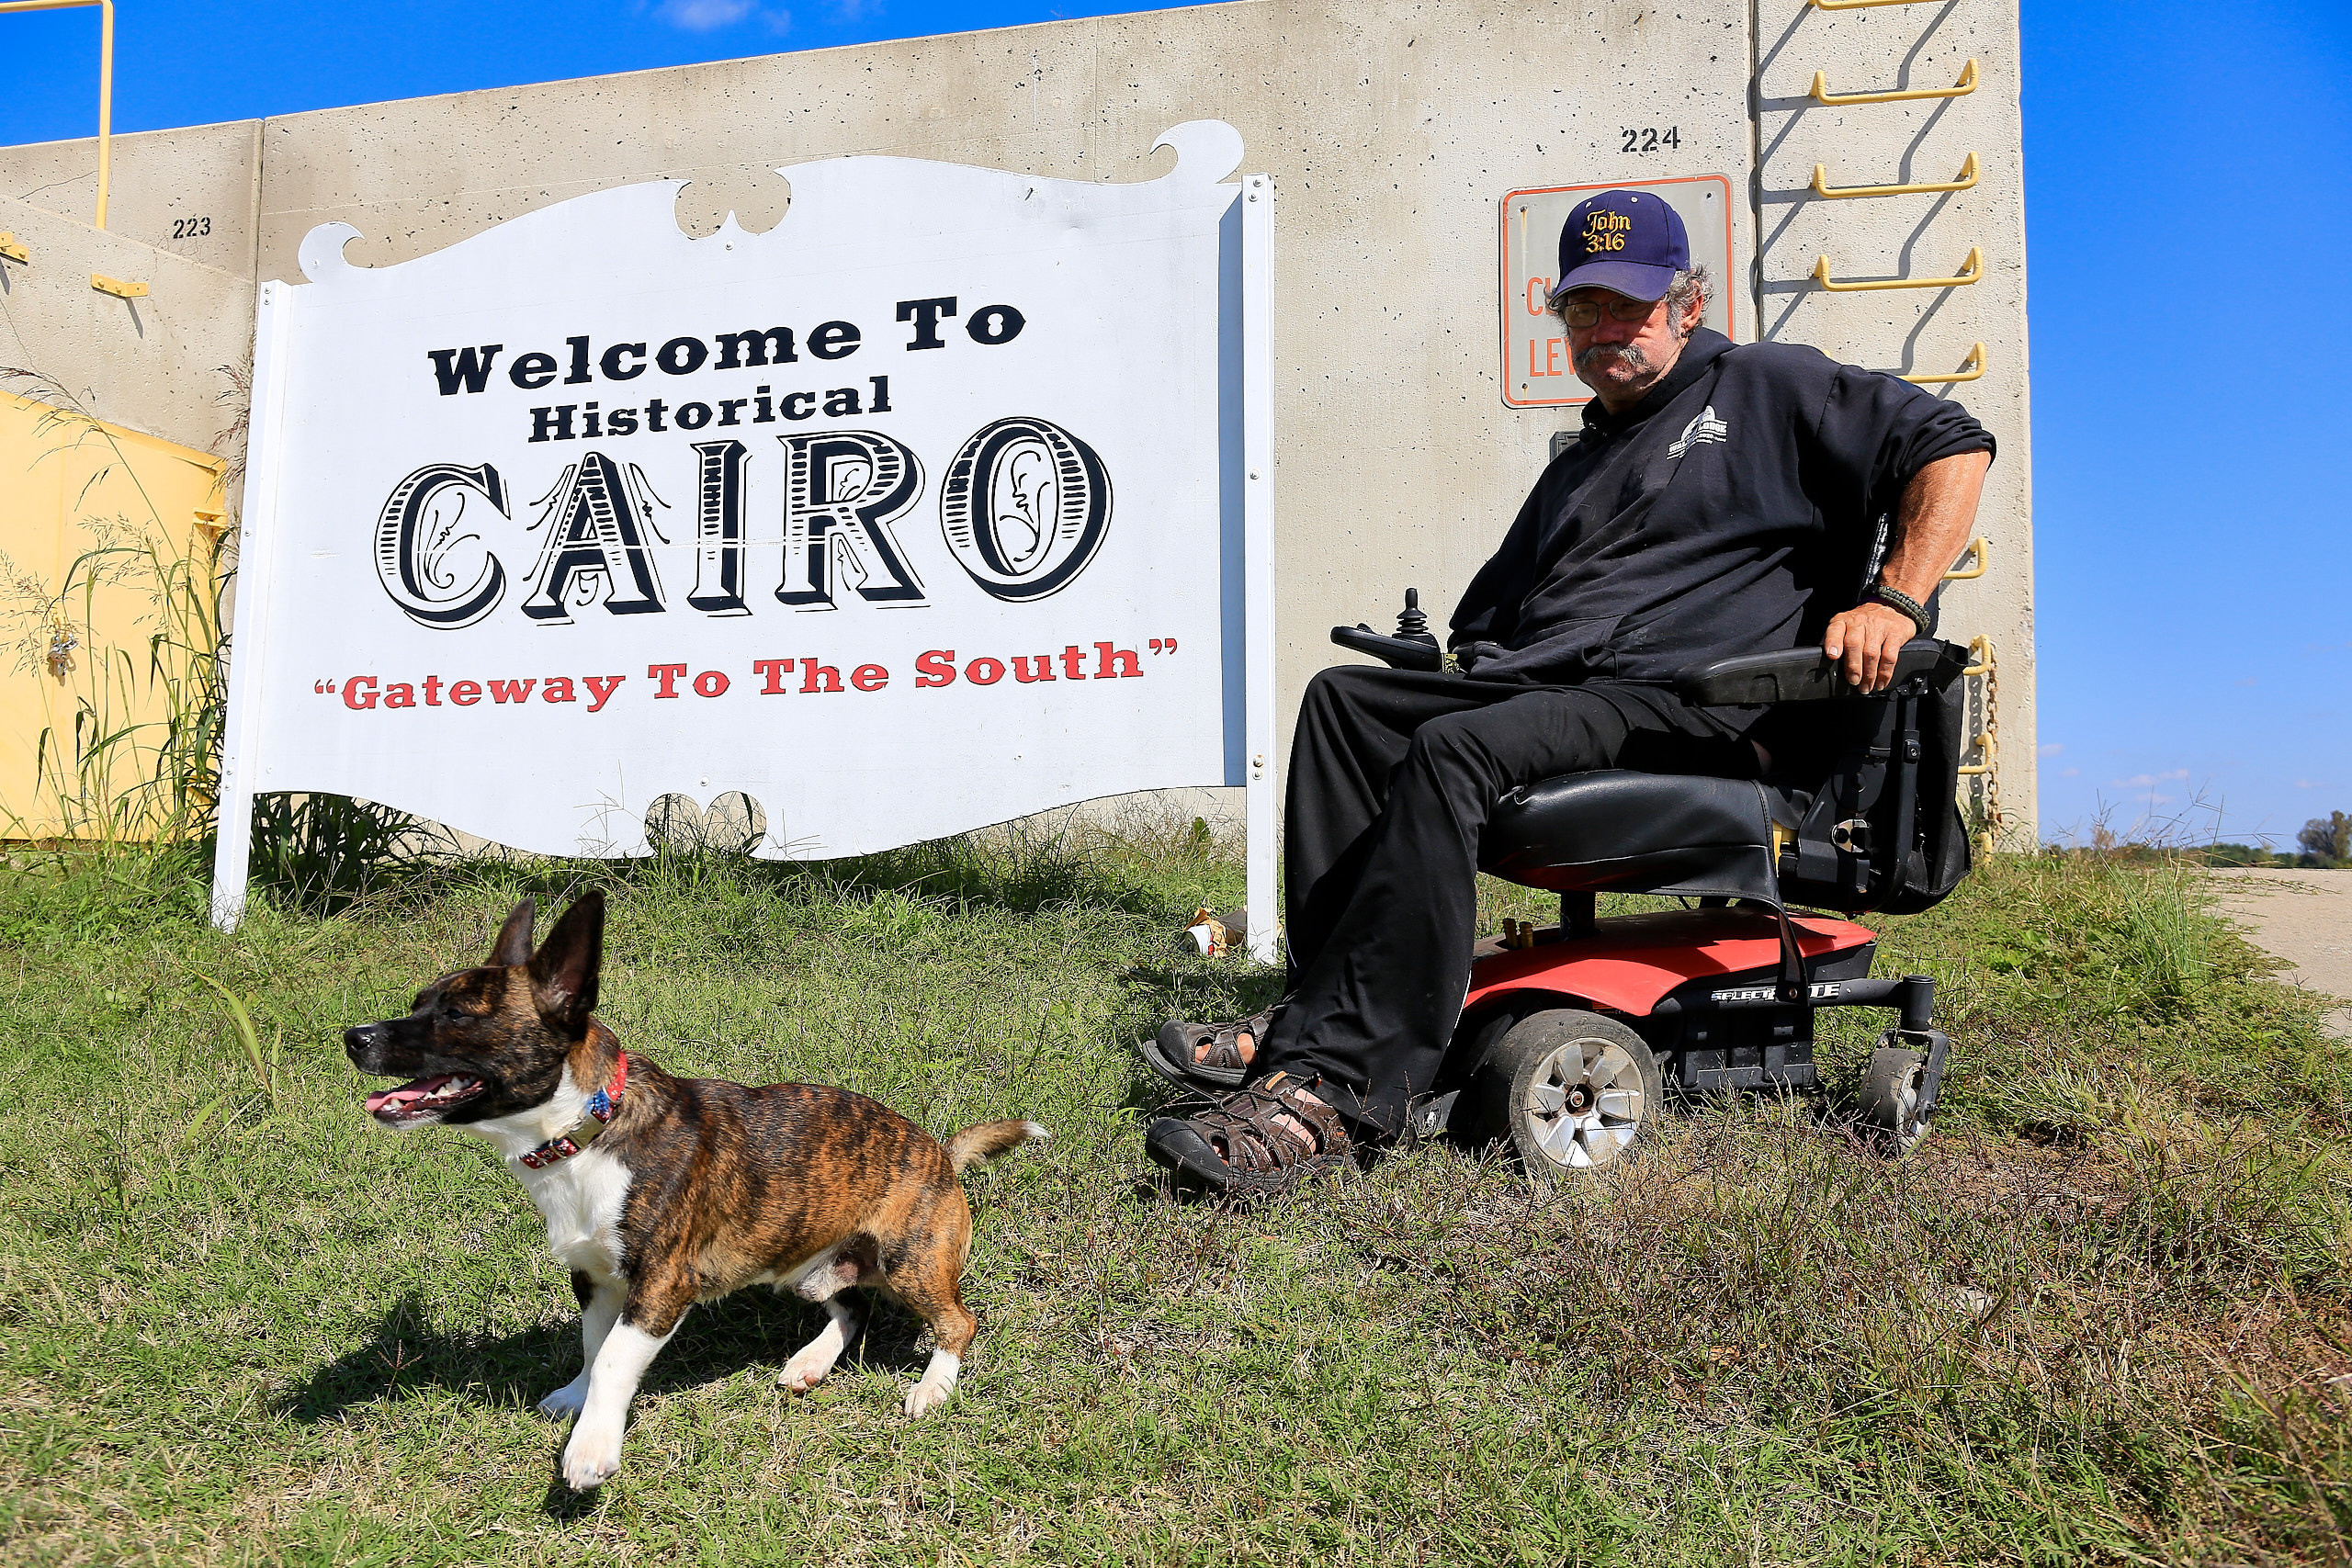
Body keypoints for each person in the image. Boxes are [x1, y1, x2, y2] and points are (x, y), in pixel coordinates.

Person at [1143, 188, 1994, 1196]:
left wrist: (1896, 599)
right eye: (1583, 309)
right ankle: (1315, 1016)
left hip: (1701, 707)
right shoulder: (1580, 462)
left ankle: (1338, 1091)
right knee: (1344, 703)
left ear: (1689, 302)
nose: (1604, 330)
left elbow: (1951, 443)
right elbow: (1486, 625)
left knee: (1457, 750)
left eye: (1630, 305)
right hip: (1564, 690)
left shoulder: (1767, 387)